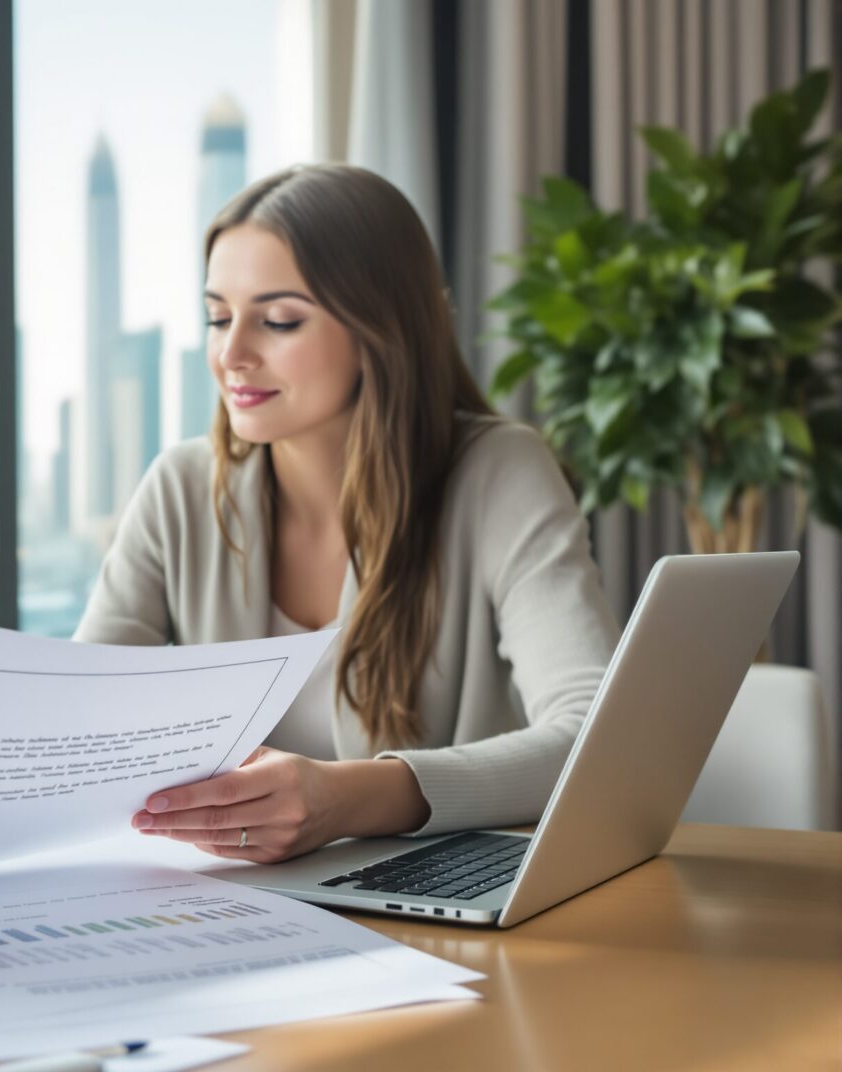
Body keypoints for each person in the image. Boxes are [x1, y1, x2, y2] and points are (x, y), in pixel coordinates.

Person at [76, 164, 619, 864]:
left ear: (378, 328)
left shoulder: (499, 472)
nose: (232, 354)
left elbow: (597, 735)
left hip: (433, 899)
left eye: (278, 321)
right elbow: (79, 721)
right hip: (226, 903)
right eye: (218, 318)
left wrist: (345, 800)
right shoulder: (179, 489)